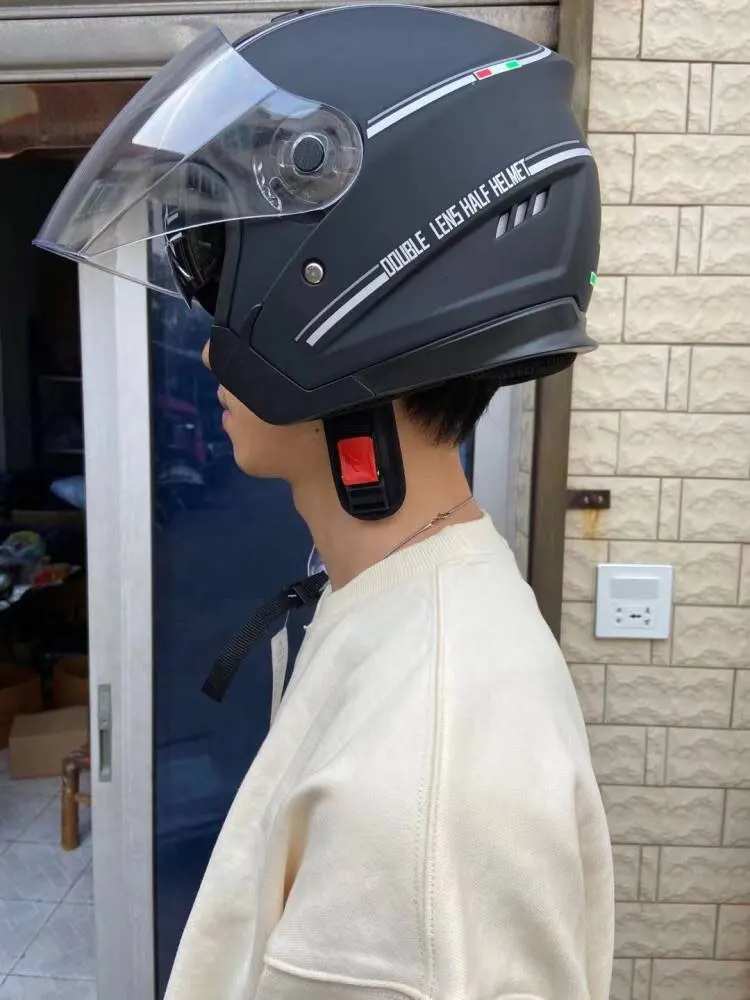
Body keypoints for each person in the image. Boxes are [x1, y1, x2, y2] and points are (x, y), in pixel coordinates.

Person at [34, 6, 615, 999]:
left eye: (219, 273)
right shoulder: (408, 602)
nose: (208, 346)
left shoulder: (419, 794)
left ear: (345, 297)